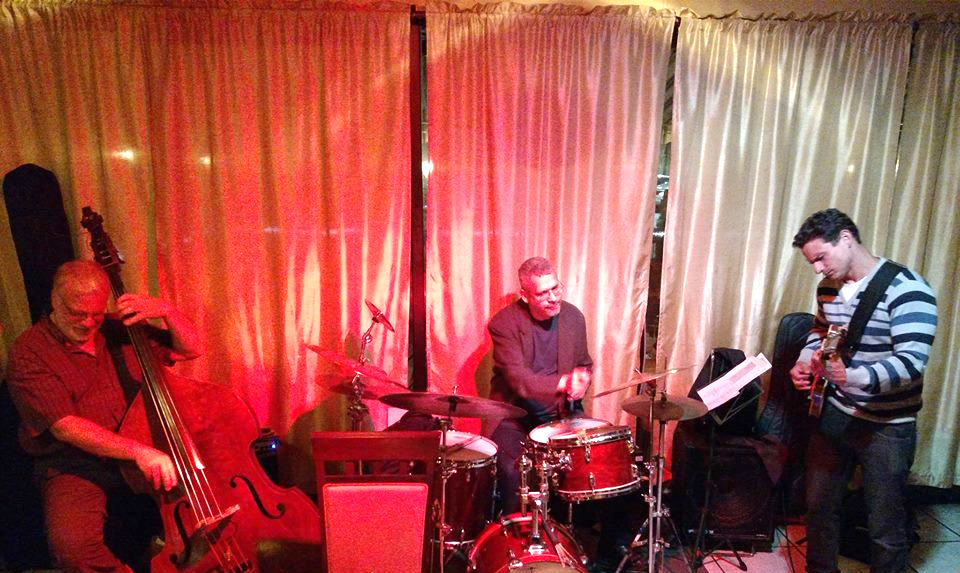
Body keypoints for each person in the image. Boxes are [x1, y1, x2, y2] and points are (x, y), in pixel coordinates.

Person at [6, 260, 203, 573]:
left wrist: (168, 312)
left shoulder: (119, 328)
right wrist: (138, 451)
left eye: (95, 314)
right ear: (55, 299)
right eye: (76, 313)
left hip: (144, 448)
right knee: (72, 548)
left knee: (204, 507)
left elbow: (191, 349)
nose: (87, 323)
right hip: (77, 462)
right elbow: (66, 427)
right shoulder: (29, 351)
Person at [789, 209, 937, 573]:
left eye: (821, 258)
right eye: (811, 262)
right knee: (819, 509)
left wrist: (849, 376)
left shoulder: (909, 290)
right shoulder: (828, 287)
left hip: (888, 425)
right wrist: (805, 360)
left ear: (845, 238)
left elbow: (911, 364)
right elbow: (820, 330)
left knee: (885, 526)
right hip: (836, 413)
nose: (817, 269)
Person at [488, 256, 633, 571]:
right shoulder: (503, 324)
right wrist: (564, 382)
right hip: (515, 417)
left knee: (611, 459)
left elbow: (584, 362)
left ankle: (606, 554)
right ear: (525, 296)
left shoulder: (573, 317)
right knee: (513, 471)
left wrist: (583, 378)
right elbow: (519, 381)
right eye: (543, 293)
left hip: (563, 414)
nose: (553, 297)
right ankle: (519, 553)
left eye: (556, 288)